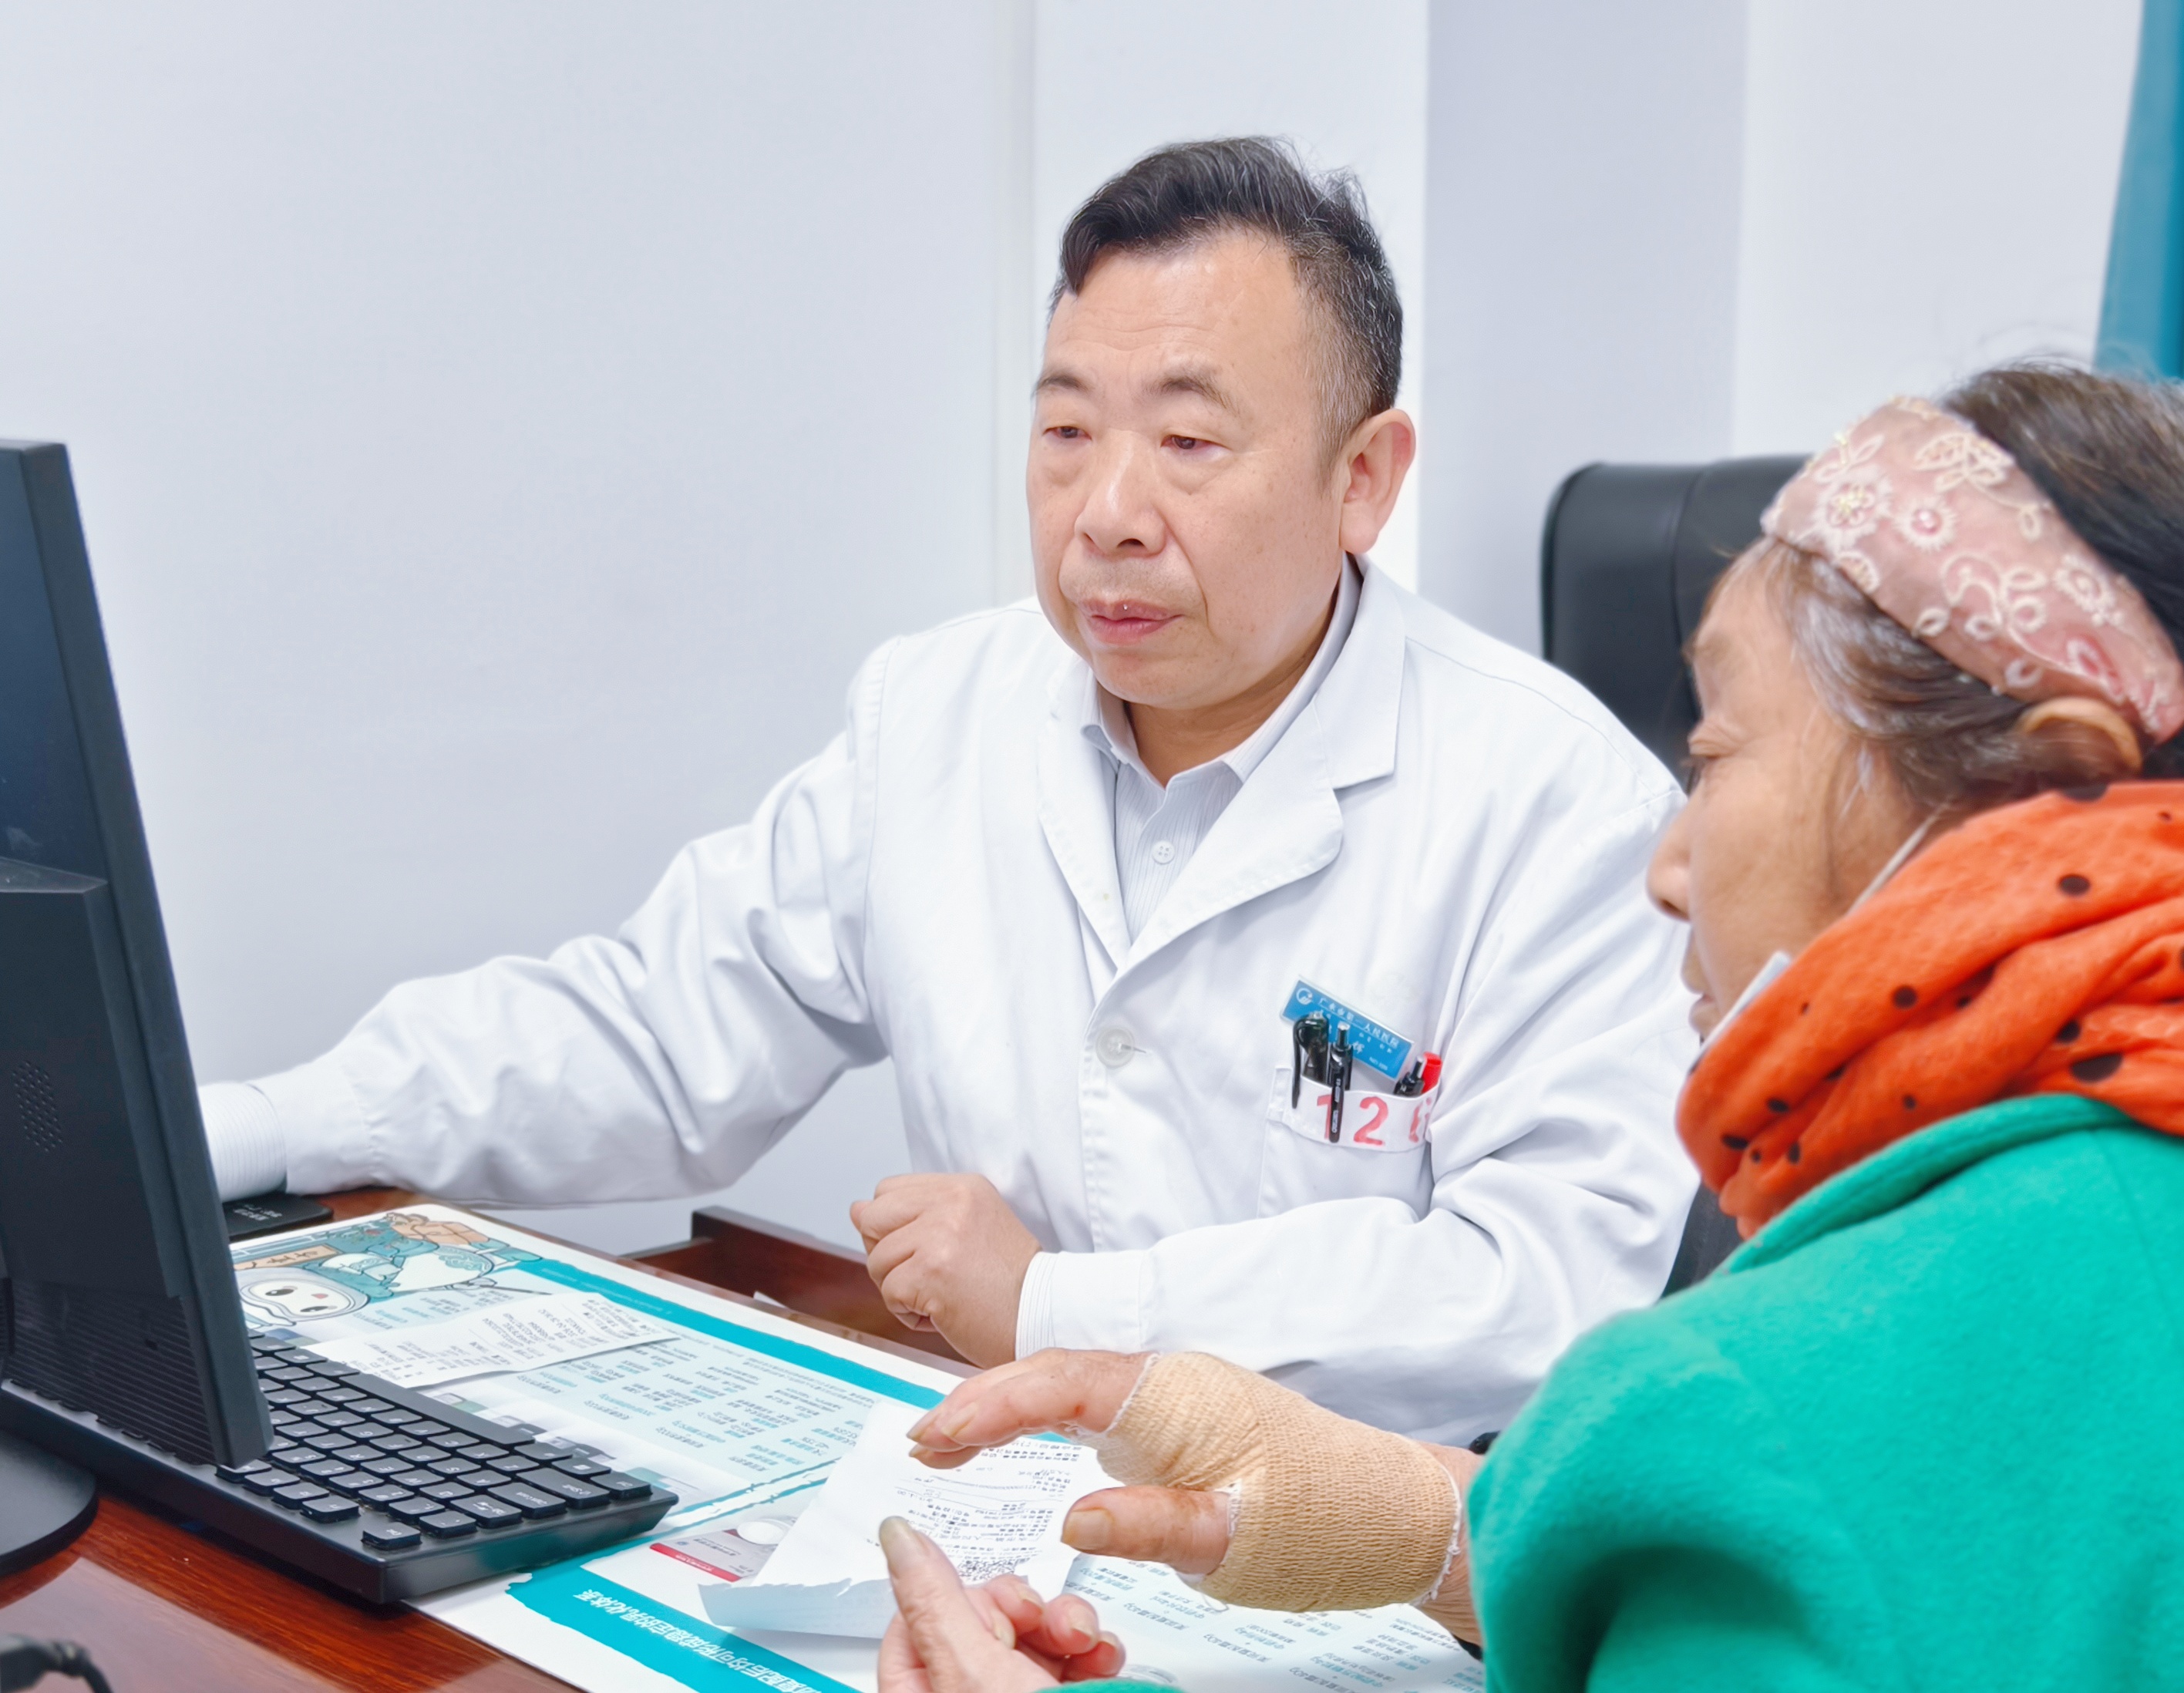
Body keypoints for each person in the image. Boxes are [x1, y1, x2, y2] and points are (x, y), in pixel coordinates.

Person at [871, 363, 2184, 1691]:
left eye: (1714, 752)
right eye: (1065, 426)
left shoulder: (1755, 1418)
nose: (1668, 864)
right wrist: (1435, 1526)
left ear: (2052, 784)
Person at [194, 136, 1698, 1441]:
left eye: (1187, 442)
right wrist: (253, 1128)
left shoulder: (1551, 802)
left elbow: (1539, 1288)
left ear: (1361, 477)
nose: (1107, 513)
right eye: (1065, 434)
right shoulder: (936, 712)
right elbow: (655, 1038)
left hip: (1353, 1562)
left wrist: (1060, 1307)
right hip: (995, 1485)